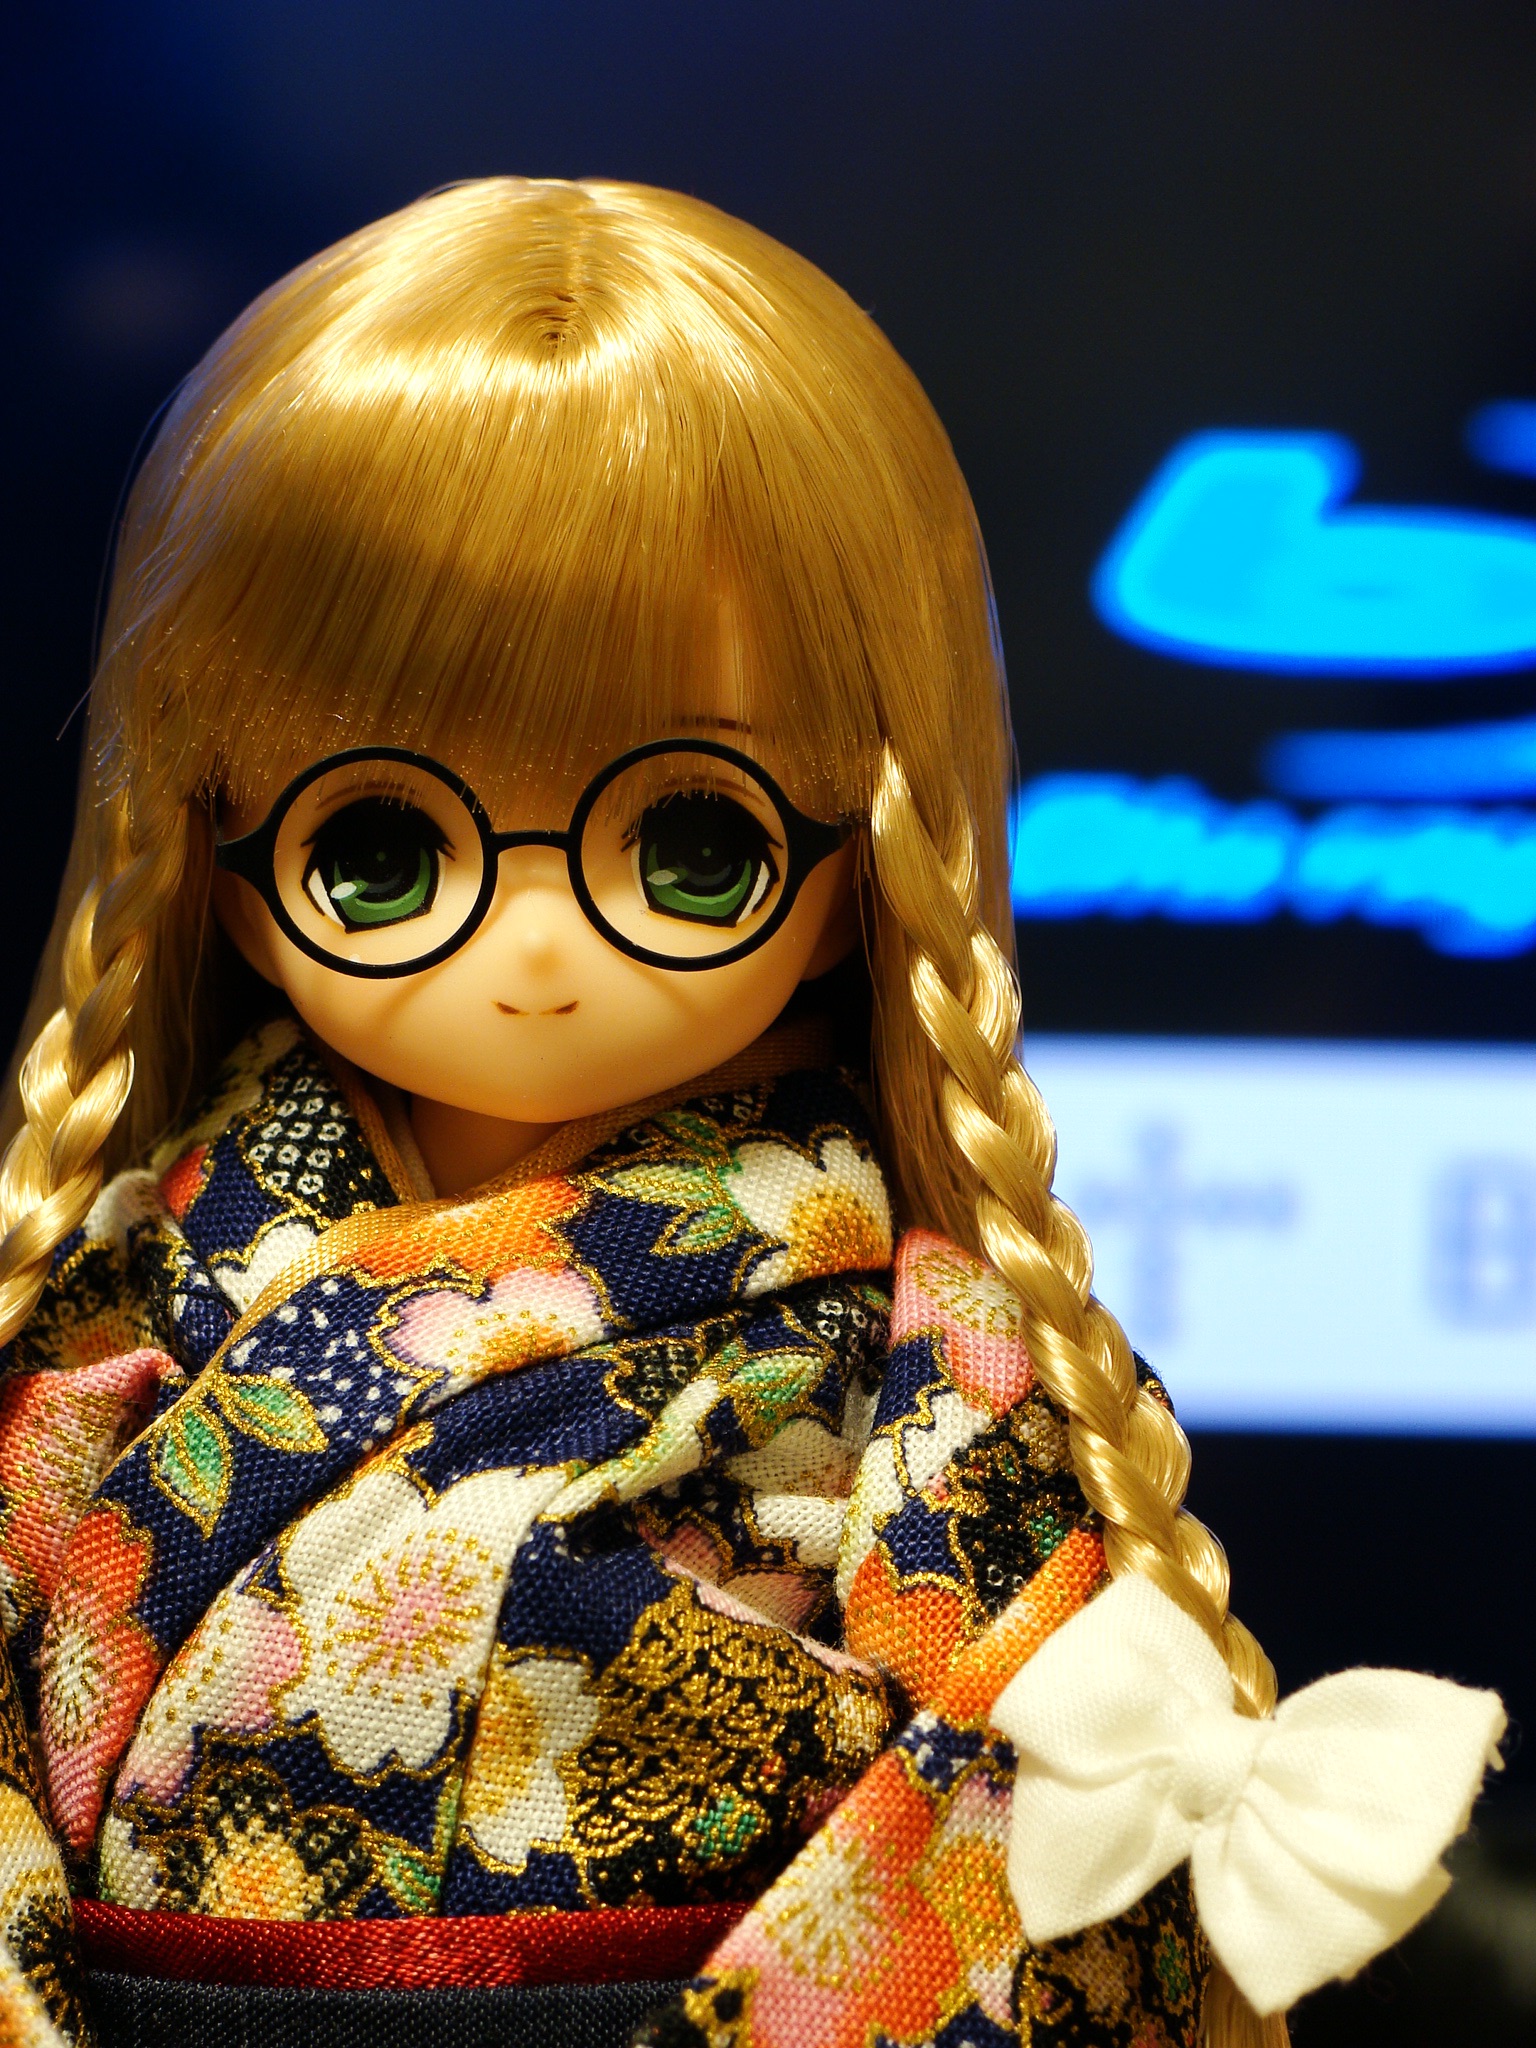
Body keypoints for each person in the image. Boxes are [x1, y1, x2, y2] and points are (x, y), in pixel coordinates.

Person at [0, 179, 1497, 2048]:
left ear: (863, 851)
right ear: (212, 856)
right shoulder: (127, 1292)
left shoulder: (916, 1350)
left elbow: (1023, 1809)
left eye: (688, 847)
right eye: (377, 851)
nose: (532, 952)